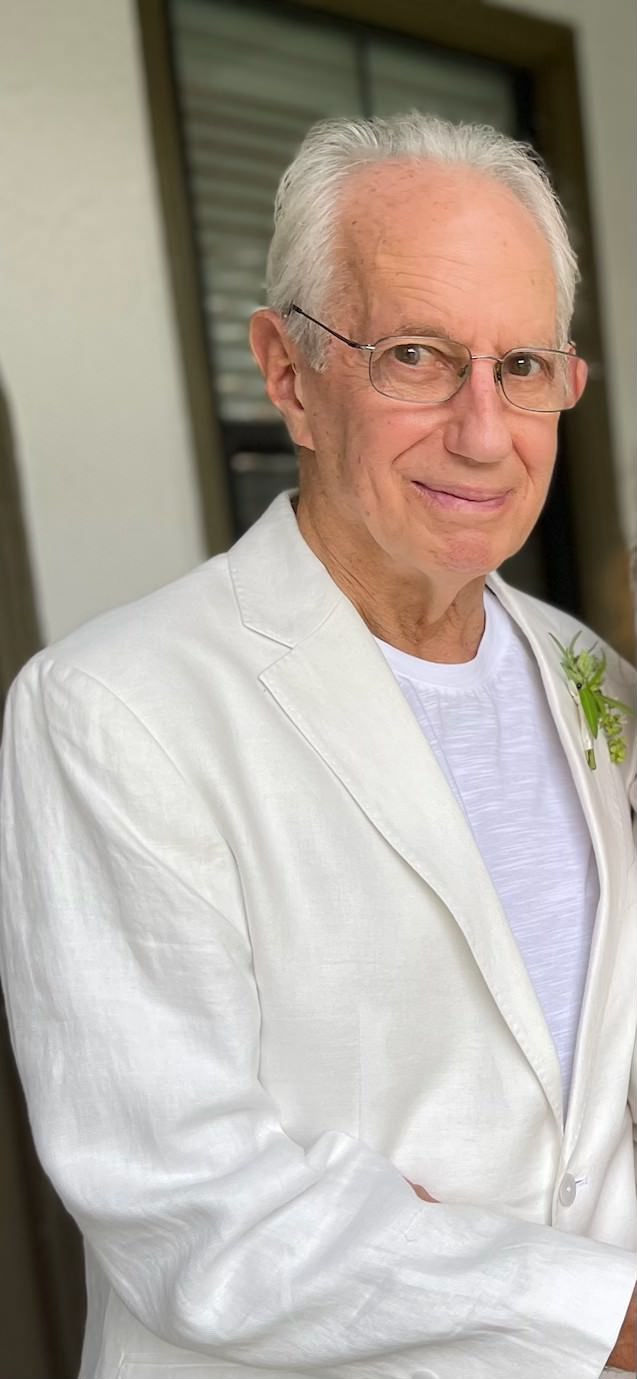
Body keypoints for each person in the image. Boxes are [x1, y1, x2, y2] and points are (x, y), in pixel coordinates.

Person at [1, 112, 635, 1379]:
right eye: (416, 357)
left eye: (520, 365)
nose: (482, 431)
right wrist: (604, 1314)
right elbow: (196, 1206)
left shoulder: (595, 679)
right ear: (286, 373)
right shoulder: (113, 708)